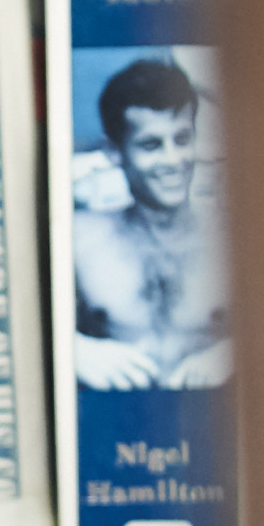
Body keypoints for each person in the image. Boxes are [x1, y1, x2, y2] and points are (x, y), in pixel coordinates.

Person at [63, 54, 223, 392]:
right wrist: (75, 351)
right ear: (114, 153)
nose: (173, 160)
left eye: (182, 139)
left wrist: (233, 354)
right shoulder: (79, 239)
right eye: (151, 145)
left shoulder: (237, 237)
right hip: (114, 424)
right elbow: (18, 321)